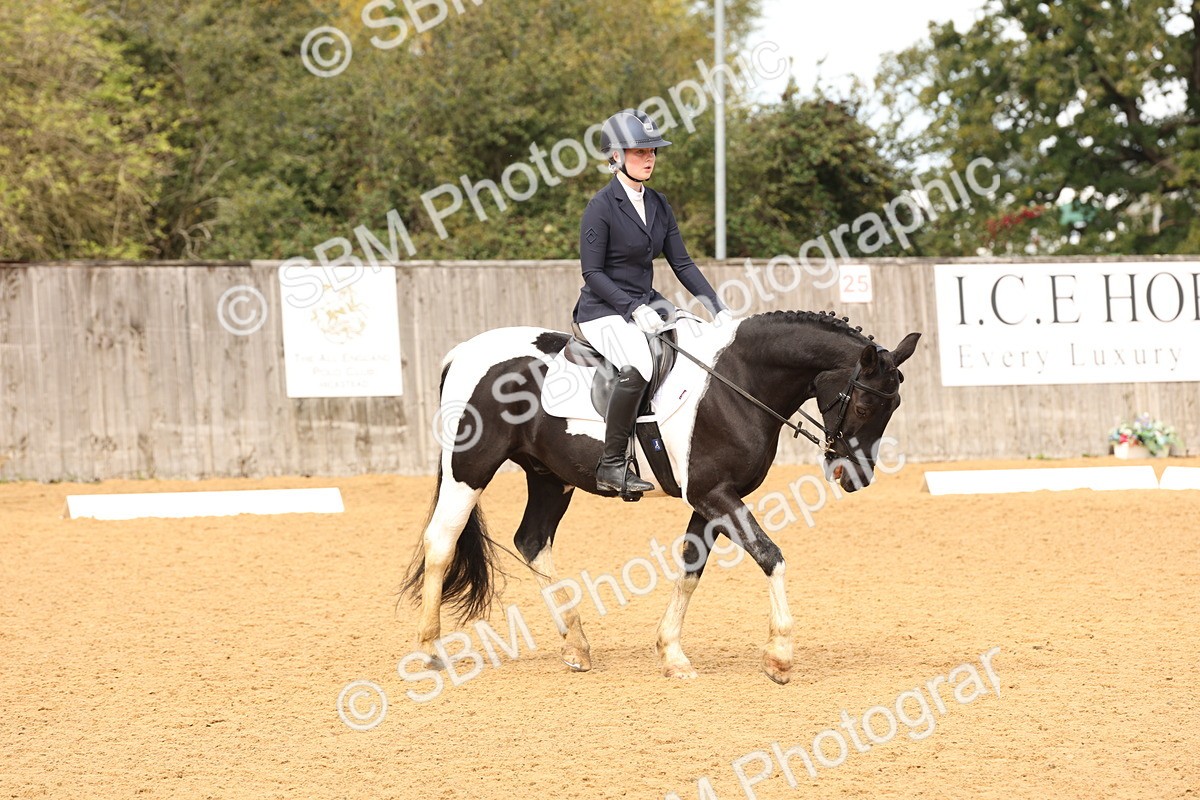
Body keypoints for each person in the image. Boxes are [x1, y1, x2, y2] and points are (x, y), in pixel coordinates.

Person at [572, 108, 731, 495]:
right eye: (639, 151)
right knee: (640, 364)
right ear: (615, 156)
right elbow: (592, 273)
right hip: (603, 309)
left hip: (646, 302)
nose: (649, 158)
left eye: (653, 151)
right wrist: (631, 308)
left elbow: (682, 263)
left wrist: (717, 308)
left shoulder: (659, 204)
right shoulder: (601, 207)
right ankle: (612, 465)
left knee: (697, 337)